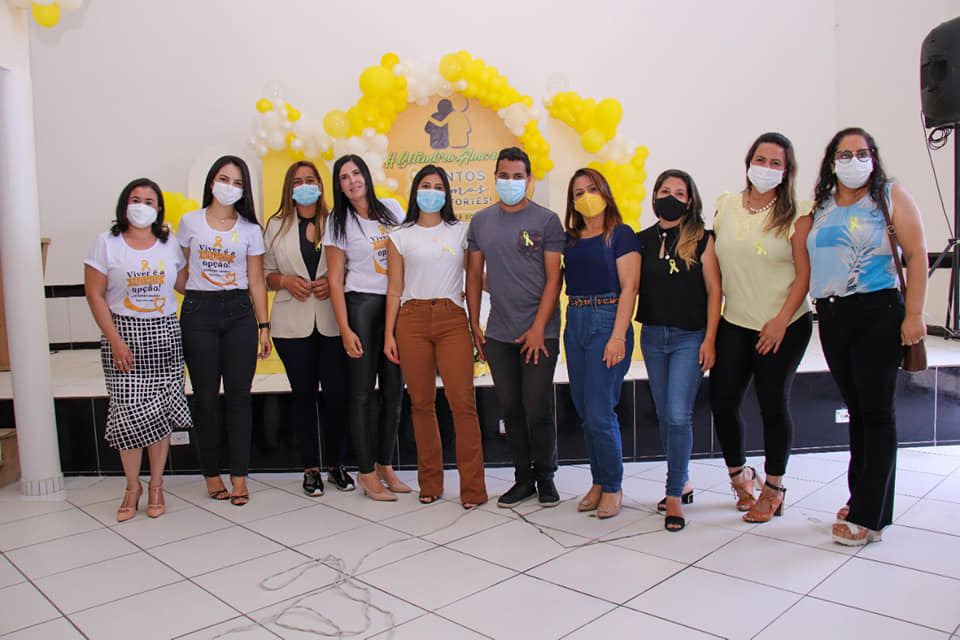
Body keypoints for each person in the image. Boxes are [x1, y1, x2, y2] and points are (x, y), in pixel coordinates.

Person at [808, 128, 927, 545]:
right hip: (833, 315)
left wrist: (914, 314)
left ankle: (870, 516)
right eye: (844, 154)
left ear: (873, 158)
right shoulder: (823, 205)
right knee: (857, 411)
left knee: (876, 413)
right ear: (832, 161)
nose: (853, 161)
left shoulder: (890, 196)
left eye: (862, 153)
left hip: (878, 312)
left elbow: (917, 255)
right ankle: (861, 497)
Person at [711, 132, 813, 523]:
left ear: (787, 170)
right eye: (761, 160)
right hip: (735, 321)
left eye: (775, 163)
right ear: (748, 162)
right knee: (722, 401)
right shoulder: (725, 205)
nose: (766, 168)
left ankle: (773, 488)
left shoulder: (798, 212)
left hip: (784, 323)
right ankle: (740, 475)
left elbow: (804, 274)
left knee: (772, 402)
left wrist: (781, 320)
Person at [84, 178, 191, 521]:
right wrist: (115, 340)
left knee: (160, 413)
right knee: (128, 413)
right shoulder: (107, 242)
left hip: (164, 334)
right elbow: (94, 294)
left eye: (149, 201)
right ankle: (133, 486)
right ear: (124, 204)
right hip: (123, 336)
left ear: (159, 208)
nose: (142, 206)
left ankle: (156, 485)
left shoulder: (168, 243)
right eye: (135, 199)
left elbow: (184, 284)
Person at [466, 146, 565, 508]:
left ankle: (546, 477)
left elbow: (554, 279)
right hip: (499, 334)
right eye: (504, 176)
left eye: (517, 176)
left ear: (529, 179)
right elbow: (473, 274)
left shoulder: (547, 221)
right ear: (495, 178)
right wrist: (474, 322)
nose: (510, 182)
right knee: (511, 410)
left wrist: (538, 328)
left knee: (537, 407)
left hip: (541, 333)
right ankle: (523, 479)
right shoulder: (481, 222)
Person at [384, 165, 488, 508]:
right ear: (415, 191)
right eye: (425, 185)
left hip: (452, 318)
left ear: (447, 194)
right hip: (411, 321)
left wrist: (479, 319)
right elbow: (394, 288)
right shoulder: (400, 235)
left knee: (463, 404)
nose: (431, 191)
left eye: (438, 186)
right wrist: (388, 334)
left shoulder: (461, 232)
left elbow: (475, 277)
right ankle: (430, 483)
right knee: (421, 404)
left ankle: (473, 489)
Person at [178, 155, 272, 507]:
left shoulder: (250, 229)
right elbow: (179, 271)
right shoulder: (190, 222)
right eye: (223, 179)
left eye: (237, 183)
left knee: (239, 397)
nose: (229, 187)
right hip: (198, 313)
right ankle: (211, 474)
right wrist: (199, 295)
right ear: (211, 182)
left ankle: (239, 477)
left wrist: (264, 326)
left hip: (239, 314)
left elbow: (257, 281)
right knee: (205, 398)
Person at [637, 169, 721, 531]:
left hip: (690, 337)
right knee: (664, 413)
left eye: (679, 193)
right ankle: (683, 481)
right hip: (653, 337)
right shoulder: (641, 240)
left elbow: (715, 290)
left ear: (690, 202)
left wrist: (710, 339)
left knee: (677, 414)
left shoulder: (703, 239)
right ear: (654, 196)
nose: (671, 197)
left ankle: (673, 495)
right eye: (664, 190)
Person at [263, 161, 353, 496]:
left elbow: (355, 265)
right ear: (289, 188)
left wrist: (335, 281)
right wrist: (285, 281)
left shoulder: (337, 222)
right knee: (303, 397)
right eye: (298, 181)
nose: (305, 186)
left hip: (333, 322)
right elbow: (265, 274)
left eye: (310, 180)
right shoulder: (275, 226)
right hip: (291, 326)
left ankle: (336, 464)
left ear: (321, 185)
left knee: (337, 396)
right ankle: (310, 468)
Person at [324, 154, 407, 501]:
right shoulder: (337, 220)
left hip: (395, 305)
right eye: (344, 177)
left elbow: (409, 253)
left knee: (393, 389)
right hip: (361, 306)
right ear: (339, 186)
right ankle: (366, 471)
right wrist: (345, 328)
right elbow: (334, 278)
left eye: (356, 173)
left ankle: (385, 464)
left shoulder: (392, 209)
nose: (352, 181)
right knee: (361, 392)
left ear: (367, 176)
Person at [562, 168, 640, 520]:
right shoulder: (571, 239)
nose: (585, 196)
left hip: (607, 320)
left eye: (591, 189)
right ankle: (598, 480)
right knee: (584, 410)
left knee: (599, 410)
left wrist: (618, 336)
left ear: (605, 192)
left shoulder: (621, 234)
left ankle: (612, 486)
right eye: (578, 192)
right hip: (575, 320)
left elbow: (630, 287)